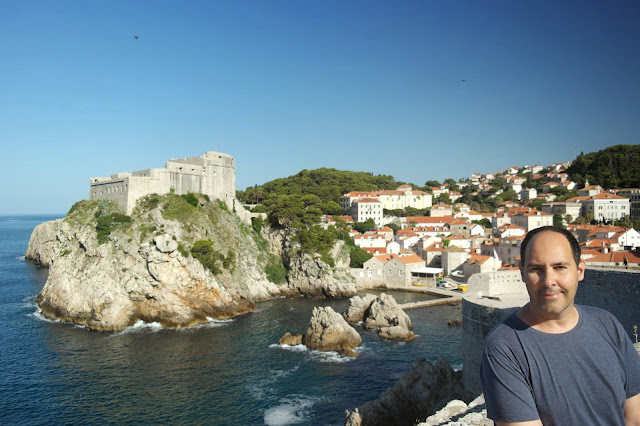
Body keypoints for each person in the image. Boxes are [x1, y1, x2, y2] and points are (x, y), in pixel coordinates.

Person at [480, 225, 640, 425]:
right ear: (522, 273)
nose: (549, 281)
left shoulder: (608, 325)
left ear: (580, 270)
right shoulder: (504, 347)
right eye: (536, 269)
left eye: (560, 267)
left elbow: (635, 417)